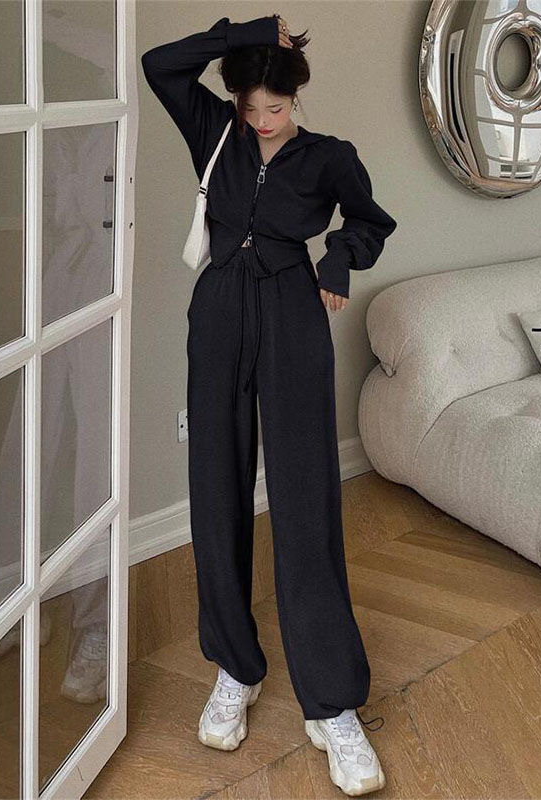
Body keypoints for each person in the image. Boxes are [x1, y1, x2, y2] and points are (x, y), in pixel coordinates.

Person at [141, 12, 397, 796]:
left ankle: (331, 703)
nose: (260, 120)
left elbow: (370, 220)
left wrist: (340, 259)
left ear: (296, 96)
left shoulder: (329, 158)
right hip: (219, 308)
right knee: (216, 489)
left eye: (274, 107)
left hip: (292, 311)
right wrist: (242, 34)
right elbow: (159, 63)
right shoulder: (214, 131)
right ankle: (236, 667)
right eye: (249, 106)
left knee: (305, 497)